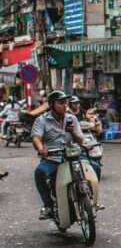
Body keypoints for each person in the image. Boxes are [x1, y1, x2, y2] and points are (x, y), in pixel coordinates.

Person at [31, 91, 85, 219]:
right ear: (51, 105)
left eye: (65, 103)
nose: (65, 106)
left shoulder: (72, 118)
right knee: (39, 172)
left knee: (95, 167)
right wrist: (41, 149)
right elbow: (36, 138)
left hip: (72, 155)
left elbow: (80, 140)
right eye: (61, 103)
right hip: (52, 157)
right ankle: (48, 206)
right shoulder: (42, 120)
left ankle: (89, 198)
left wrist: (73, 132)